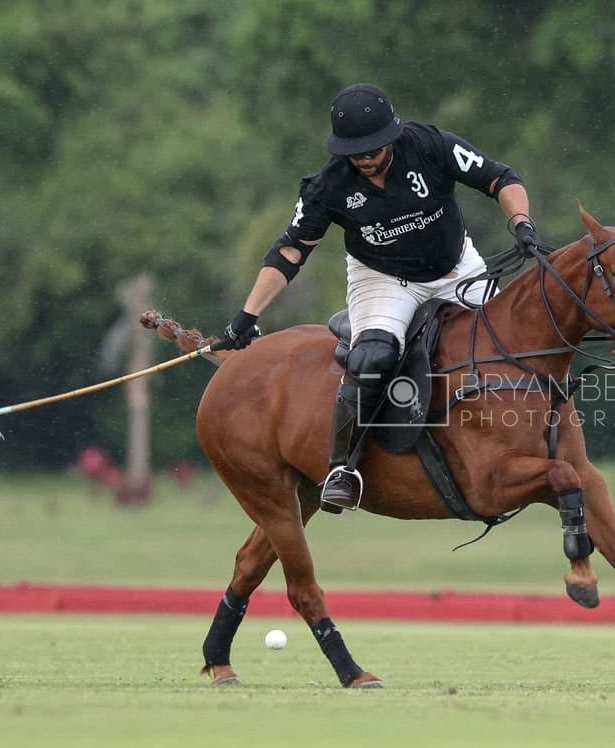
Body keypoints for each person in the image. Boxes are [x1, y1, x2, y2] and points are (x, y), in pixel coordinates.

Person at [220, 83, 543, 512]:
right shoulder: (329, 186)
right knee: (371, 358)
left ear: (391, 135)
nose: (365, 159)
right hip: (383, 278)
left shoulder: (429, 145)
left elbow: (500, 178)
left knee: (514, 342)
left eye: (372, 149)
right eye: (355, 152)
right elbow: (291, 250)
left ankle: (543, 431)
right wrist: (247, 315)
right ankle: (343, 467)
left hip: (456, 267)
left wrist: (521, 223)